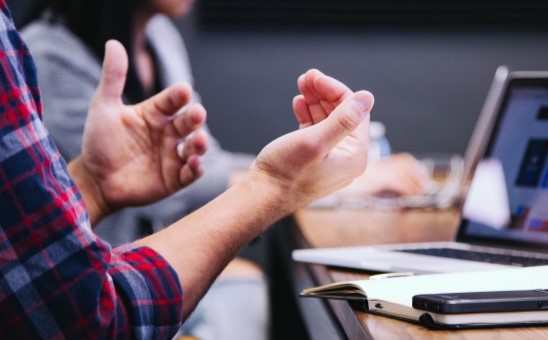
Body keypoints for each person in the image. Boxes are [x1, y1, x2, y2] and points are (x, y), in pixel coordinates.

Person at [19, 1, 426, 338]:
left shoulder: (160, 38)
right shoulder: (49, 55)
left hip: (135, 280)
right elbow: (183, 189)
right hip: (97, 297)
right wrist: (304, 181)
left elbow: (198, 163)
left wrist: (308, 174)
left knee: (248, 286)